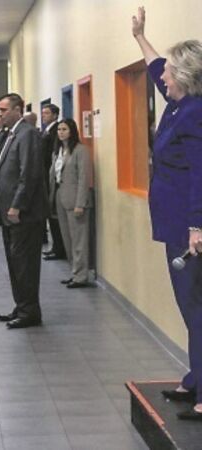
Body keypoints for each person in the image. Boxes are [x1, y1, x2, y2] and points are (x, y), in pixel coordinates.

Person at [132, 6, 202, 420]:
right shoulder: (178, 106)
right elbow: (155, 65)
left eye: (171, 73)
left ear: (186, 76)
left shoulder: (195, 113)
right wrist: (140, 36)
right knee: (190, 306)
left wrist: (197, 225)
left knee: (196, 307)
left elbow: (200, 173)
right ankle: (195, 378)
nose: (163, 77)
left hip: (188, 229)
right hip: (175, 224)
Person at [0, 93, 48, 329]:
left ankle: (29, 311)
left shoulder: (28, 134)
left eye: (3, 110)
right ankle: (21, 305)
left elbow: (30, 174)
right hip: (9, 213)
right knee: (15, 263)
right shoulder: (11, 135)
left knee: (25, 265)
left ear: (17, 110)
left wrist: (17, 205)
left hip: (24, 214)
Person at [48, 118, 93, 289]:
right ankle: (74, 272)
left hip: (76, 200)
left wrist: (80, 203)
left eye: (64, 129)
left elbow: (83, 178)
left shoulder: (81, 151)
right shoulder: (58, 151)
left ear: (72, 131)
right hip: (60, 197)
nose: (61, 132)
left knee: (78, 240)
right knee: (67, 239)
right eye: (59, 129)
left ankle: (81, 276)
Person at [41, 103, 67, 261]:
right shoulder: (46, 131)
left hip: (51, 178)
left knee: (55, 217)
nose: (44, 115)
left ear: (55, 115)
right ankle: (56, 246)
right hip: (48, 177)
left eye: (47, 113)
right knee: (51, 215)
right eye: (43, 113)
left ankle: (59, 248)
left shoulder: (55, 131)